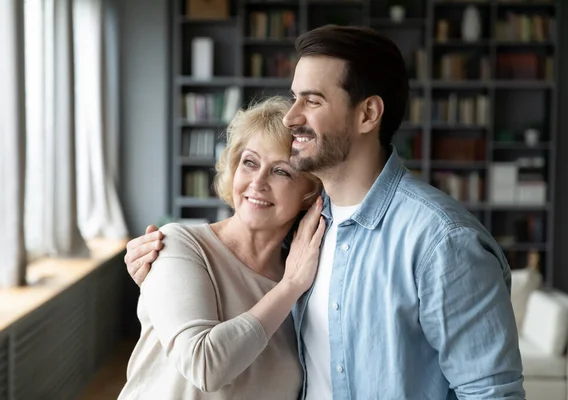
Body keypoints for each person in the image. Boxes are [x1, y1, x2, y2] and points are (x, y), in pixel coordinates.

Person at [125, 25, 525, 399]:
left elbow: (490, 393)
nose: (291, 116)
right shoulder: (307, 236)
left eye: (312, 101)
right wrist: (159, 274)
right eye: (294, 97)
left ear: (368, 114)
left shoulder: (441, 241)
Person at [118, 96, 326, 400]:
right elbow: (206, 367)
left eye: (281, 171)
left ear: (310, 192)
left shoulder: (308, 278)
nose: (257, 182)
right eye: (250, 162)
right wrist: (290, 287)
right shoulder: (179, 244)